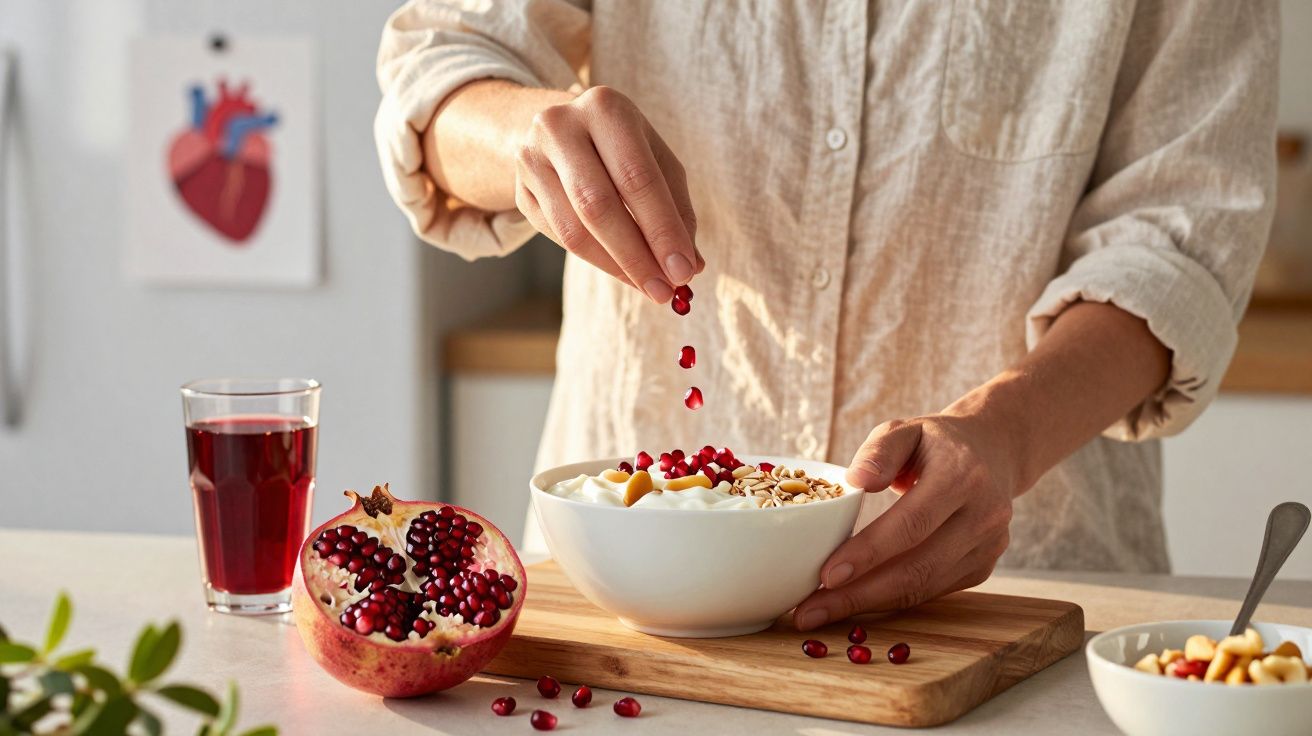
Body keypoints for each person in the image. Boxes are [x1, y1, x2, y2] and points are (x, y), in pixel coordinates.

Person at [373, 1, 1277, 631]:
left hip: (1009, 585)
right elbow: (441, 65)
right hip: (627, 588)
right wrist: (525, 135)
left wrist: (1007, 430)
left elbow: (1180, 242)